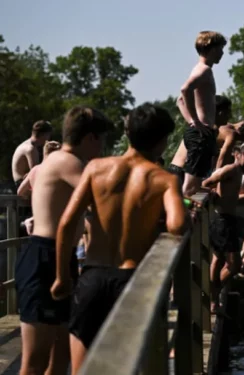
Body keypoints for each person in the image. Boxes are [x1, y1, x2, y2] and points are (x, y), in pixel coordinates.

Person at [50, 104, 186, 374]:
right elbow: (177, 225)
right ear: (161, 141)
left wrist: (61, 277)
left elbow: (66, 223)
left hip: (93, 278)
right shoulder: (164, 179)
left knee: (82, 370)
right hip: (132, 280)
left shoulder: (96, 168)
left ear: (129, 134)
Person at [15, 106, 110, 375]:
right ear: (90, 138)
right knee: (35, 363)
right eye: (101, 140)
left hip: (60, 257)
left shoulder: (64, 161)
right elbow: (104, 200)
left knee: (60, 360)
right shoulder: (68, 163)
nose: (102, 148)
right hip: (43, 259)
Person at [201, 141, 244, 312]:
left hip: (230, 220)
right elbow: (207, 183)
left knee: (226, 262)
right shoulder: (230, 170)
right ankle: (212, 296)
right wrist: (201, 200)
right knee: (230, 263)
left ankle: (212, 296)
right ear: (243, 154)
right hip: (222, 220)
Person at [177, 31, 227, 197]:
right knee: (190, 188)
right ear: (212, 49)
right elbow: (185, 90)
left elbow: (179, 101)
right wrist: (196, 122)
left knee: (196, 186)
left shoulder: (199, 69)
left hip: (202, 132)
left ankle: (190, 215)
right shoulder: (204, 70)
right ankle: (183, 217)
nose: (222, 53)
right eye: (220, 49)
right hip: (200, 134)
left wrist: (191, 121)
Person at [12, 120, 53, 188]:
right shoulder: (30, 149)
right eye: (48, 135)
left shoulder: (28, 144)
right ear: (43, 135)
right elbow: (36, 173)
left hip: (22, 183)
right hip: (23, 185)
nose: (48, 138)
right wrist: (47, 154)